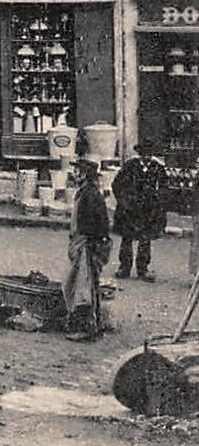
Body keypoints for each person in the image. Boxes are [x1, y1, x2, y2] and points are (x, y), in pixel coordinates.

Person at [63, 157, 113, 342]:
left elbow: (99, 225)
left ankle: (88, 329)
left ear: (84, 174)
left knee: (84, 288)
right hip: (82, 243)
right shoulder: (85, 193)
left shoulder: (90, 195)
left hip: (88, 245)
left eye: (77, 171)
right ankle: (90, 325)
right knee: (80, 285)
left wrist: (91, 244)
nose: (74, 174)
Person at [111, 143, 167, 281]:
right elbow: (116, 184)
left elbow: (164, 188)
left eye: (150, 154)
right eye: (144, 153)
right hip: (130, 208)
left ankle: (143, 269)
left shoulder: (158, 168)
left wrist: (158, 202)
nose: (147, 157)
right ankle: (124, 268)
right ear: (140, 153)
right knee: (127, 238)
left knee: (145, 239)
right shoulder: (130, 166)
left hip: (148, 210)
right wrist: (123, 201)